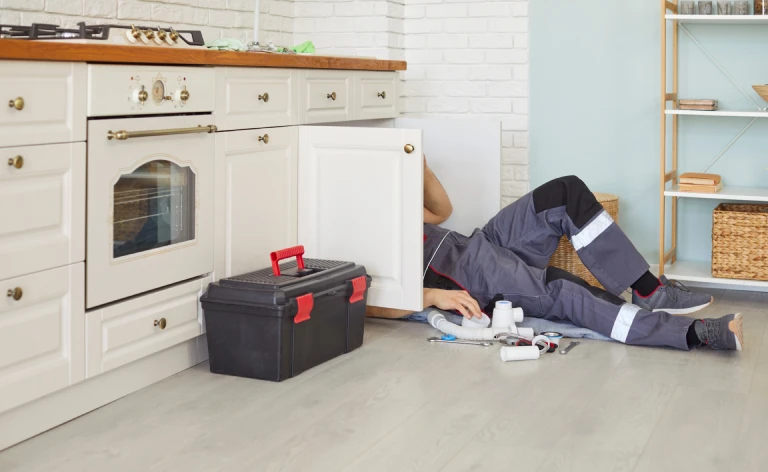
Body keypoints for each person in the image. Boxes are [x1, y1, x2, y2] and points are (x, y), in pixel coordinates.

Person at [421, 157, 743, 351]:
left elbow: (441, 212)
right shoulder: (369, 233)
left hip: (477, 242)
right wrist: (433, 295)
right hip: (461, 274)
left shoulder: (386, 199)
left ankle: (649, 290)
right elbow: (375, 296)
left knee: (564, 192)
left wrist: (419, 166)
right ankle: (695, 333)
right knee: (566, 291)